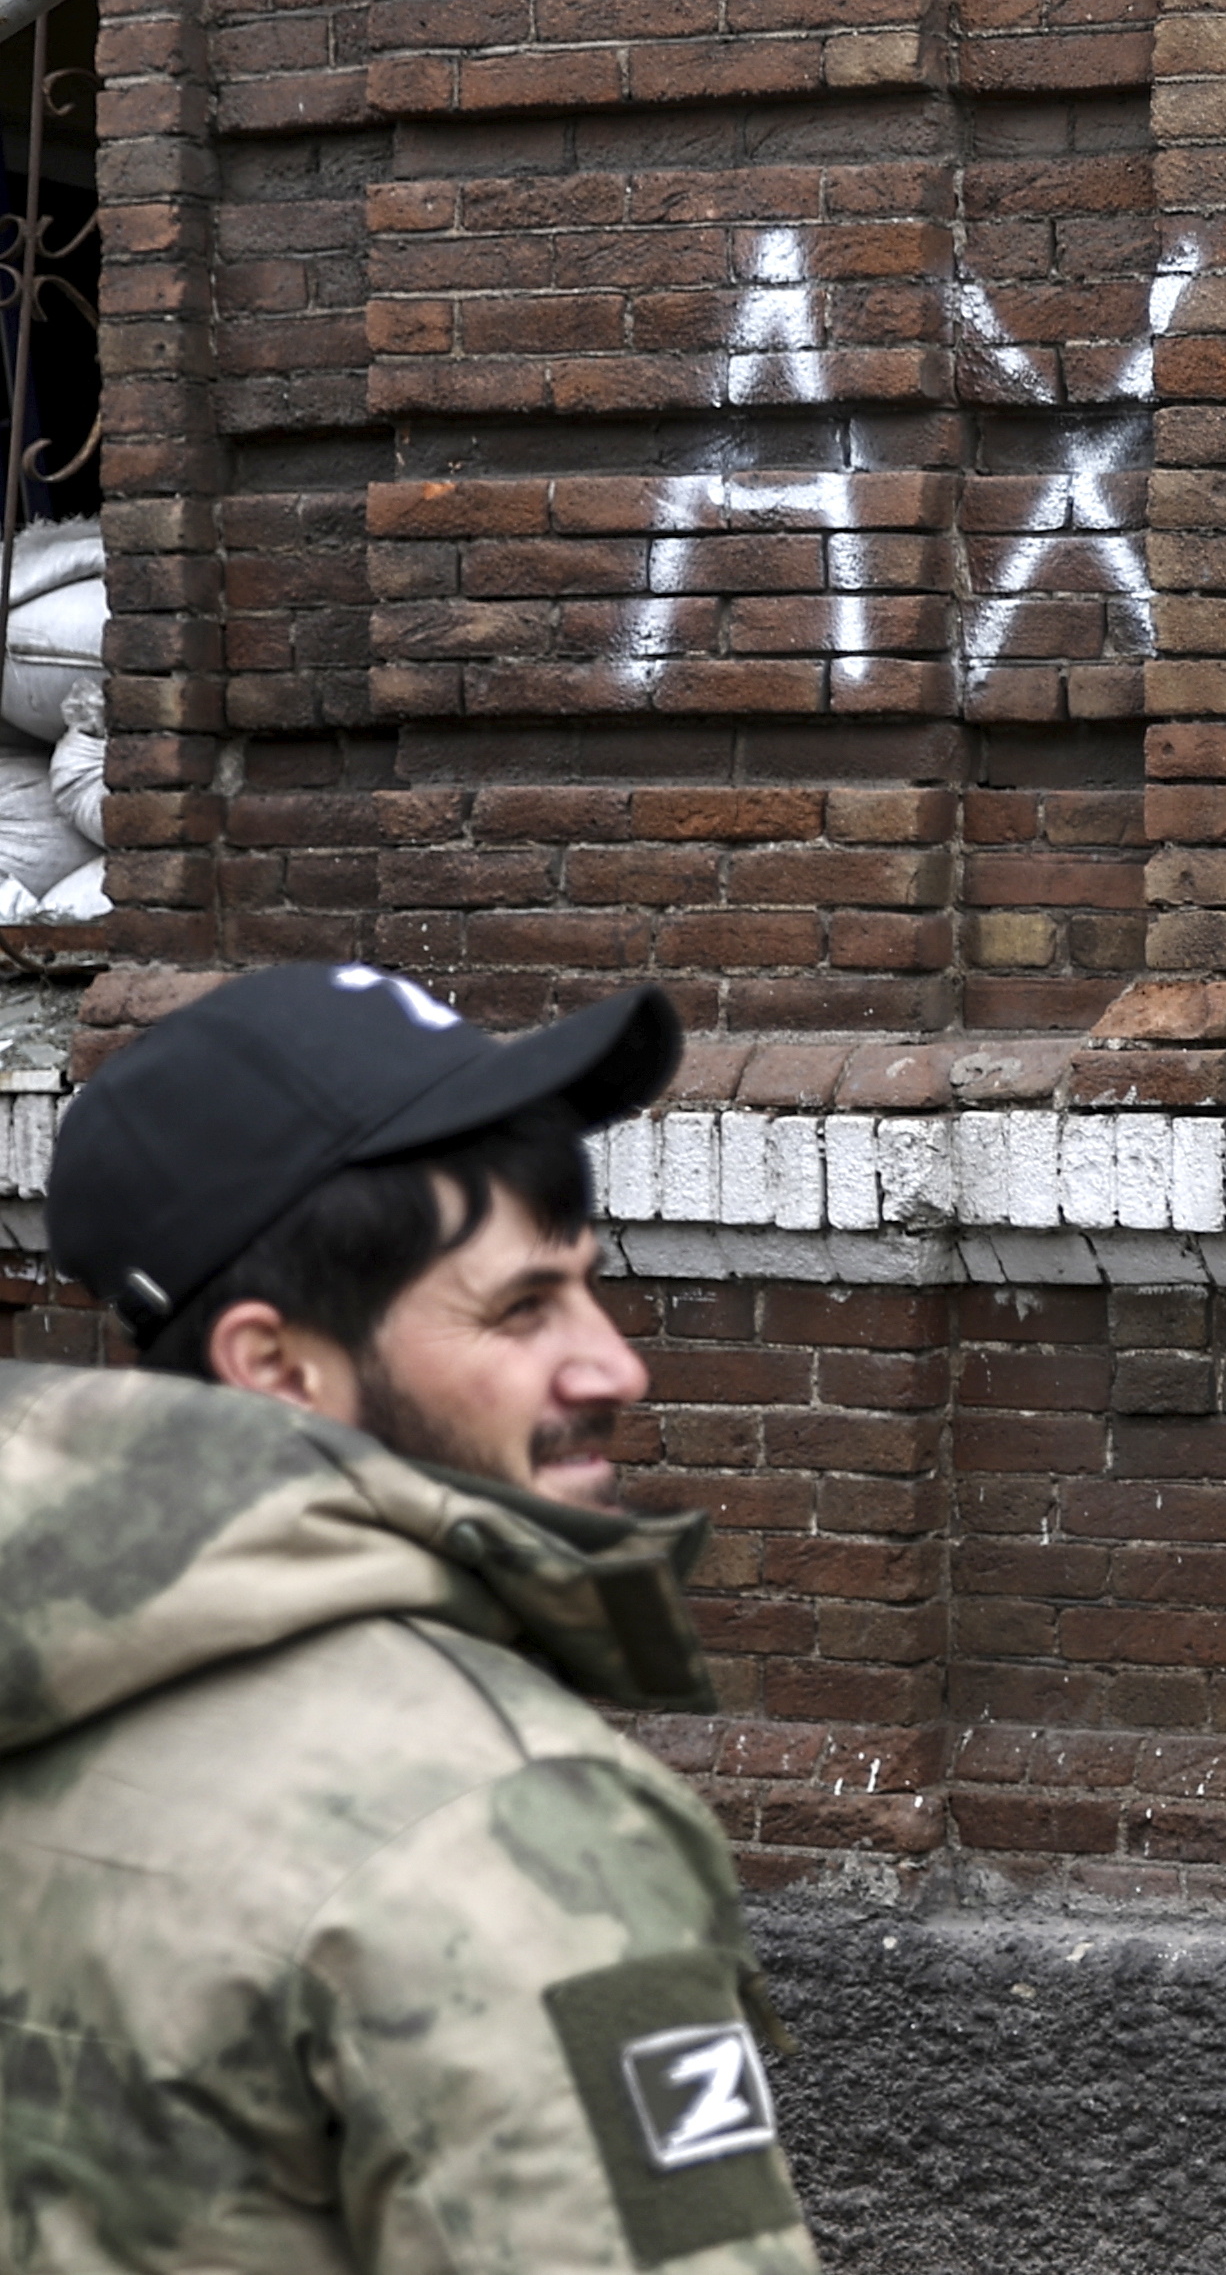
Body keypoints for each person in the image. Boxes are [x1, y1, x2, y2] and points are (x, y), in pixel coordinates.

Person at [0, 963, 822, 2275]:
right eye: (520, 1310)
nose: (616, 1365)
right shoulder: (503, 1826)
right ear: (278, 1368)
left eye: (590, 1288)